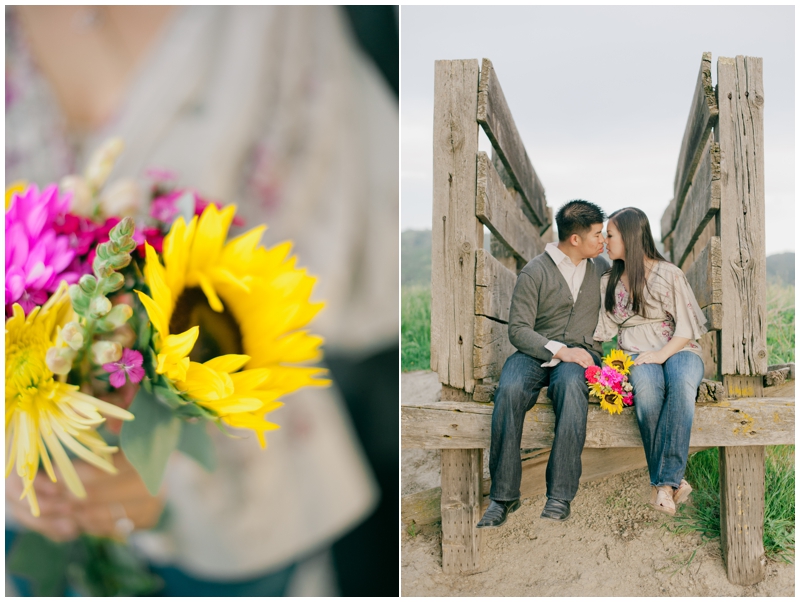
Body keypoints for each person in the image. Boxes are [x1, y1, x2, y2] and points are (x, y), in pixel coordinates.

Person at [5, 6, 397, 596]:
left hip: (234, 510)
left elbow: (331, 263)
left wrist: (164, 452)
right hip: (28, 507)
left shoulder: (274, 20)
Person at [477, 200, 609, 529]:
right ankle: (502, 497)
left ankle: (560, 495)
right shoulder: (535, 271)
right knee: (508, 390)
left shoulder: (603, 269)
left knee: (570, 384)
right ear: (575, 239)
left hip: (581, 355)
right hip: (536, 352)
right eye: (597, 234)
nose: (602, 240)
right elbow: (519, 330)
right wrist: (558, 350)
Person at [593, 207, 708, 515]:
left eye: (611, 234)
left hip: (679, 348)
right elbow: (603, 332)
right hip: (635, 353)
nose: (605, 239)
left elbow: (686, 327)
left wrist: (660, 354)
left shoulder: (668, 273)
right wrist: (599, 366)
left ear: (630, 237)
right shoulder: (609, 280)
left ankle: (663, 484)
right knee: (646, 392)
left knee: (681, 385)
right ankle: (672, 484)